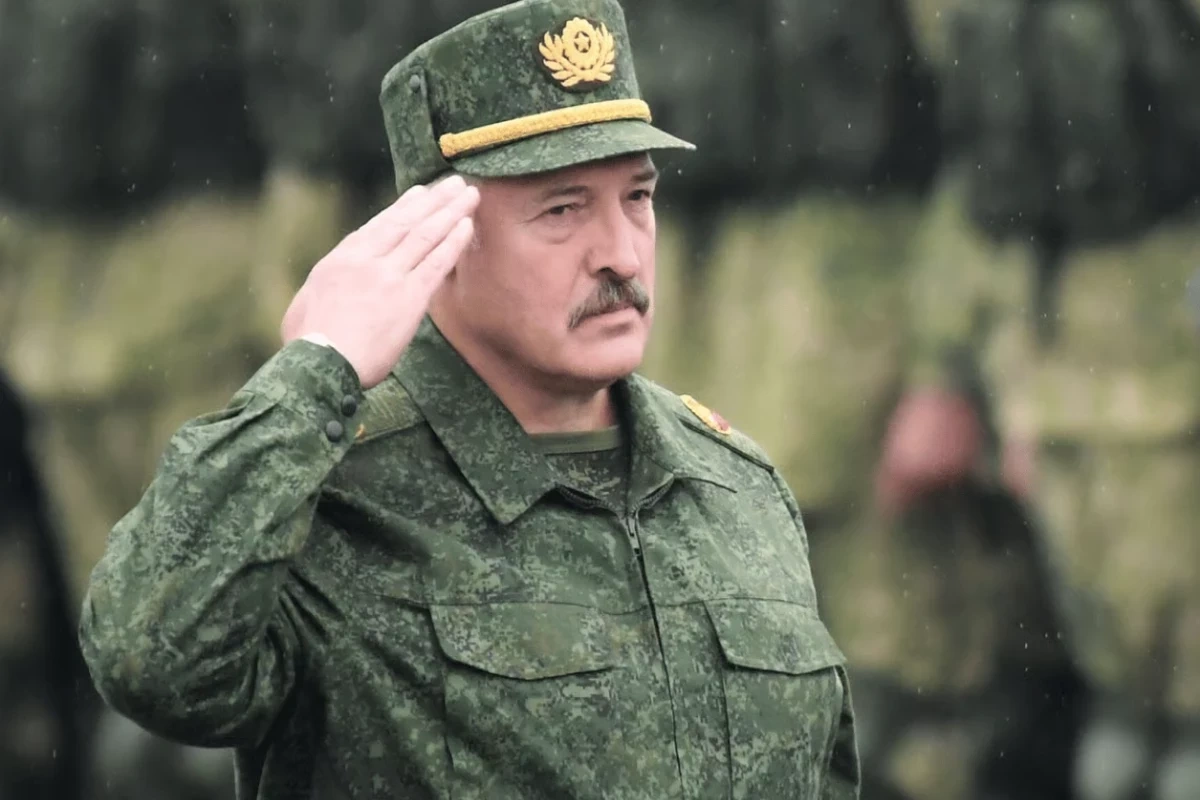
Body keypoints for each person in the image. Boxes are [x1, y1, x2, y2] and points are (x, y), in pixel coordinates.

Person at [76, 1, 861, 798]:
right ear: (439, 238)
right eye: (562, 210)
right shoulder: (331, 496)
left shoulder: (735, 486)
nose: (622, 255)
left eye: (637, 197)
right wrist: (316, 371)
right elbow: (149, 662)